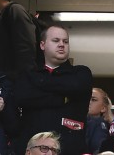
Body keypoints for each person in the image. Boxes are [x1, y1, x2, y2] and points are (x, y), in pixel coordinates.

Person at [16, 26, 92, 155]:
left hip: (70, 149)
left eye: (65, 41)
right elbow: (22, 97)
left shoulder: (81, 73)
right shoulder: (28, 74)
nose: (62, 45)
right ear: (42, 45)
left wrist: (40, 83)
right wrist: (62, 98)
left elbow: (75, 87)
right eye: (56, 40)